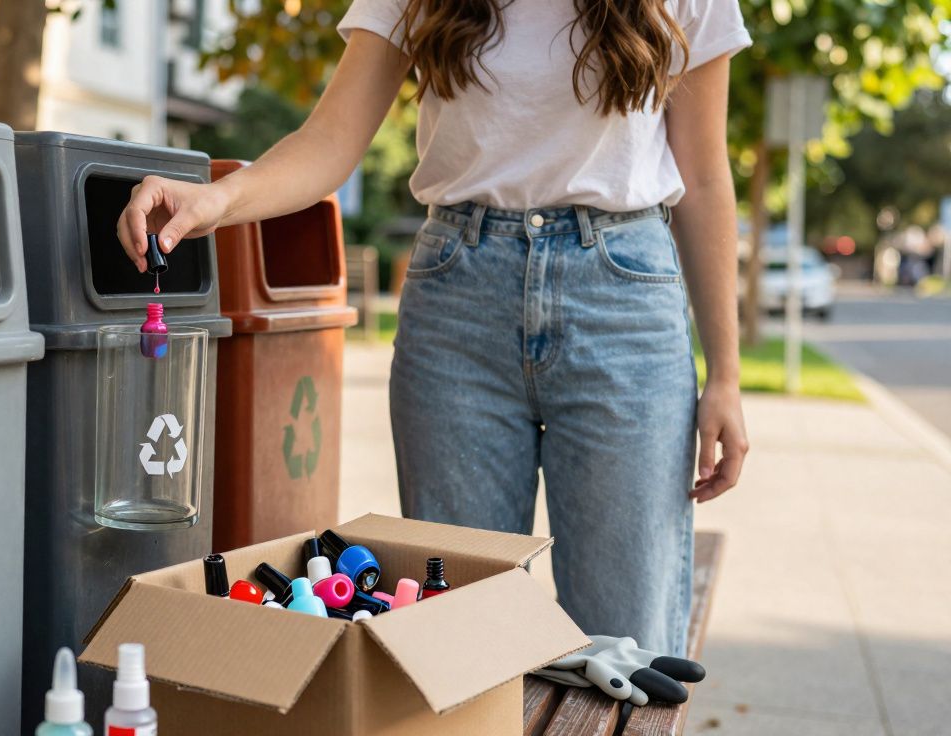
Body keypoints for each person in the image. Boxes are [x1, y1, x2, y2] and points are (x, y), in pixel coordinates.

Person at [116, 0, 751, 656]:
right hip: (458, 303)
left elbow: (704, 178)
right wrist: (216, 200)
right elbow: (330, 141)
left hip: (624, 303)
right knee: (460, 634)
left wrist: (726, 377)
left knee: (629, 638)